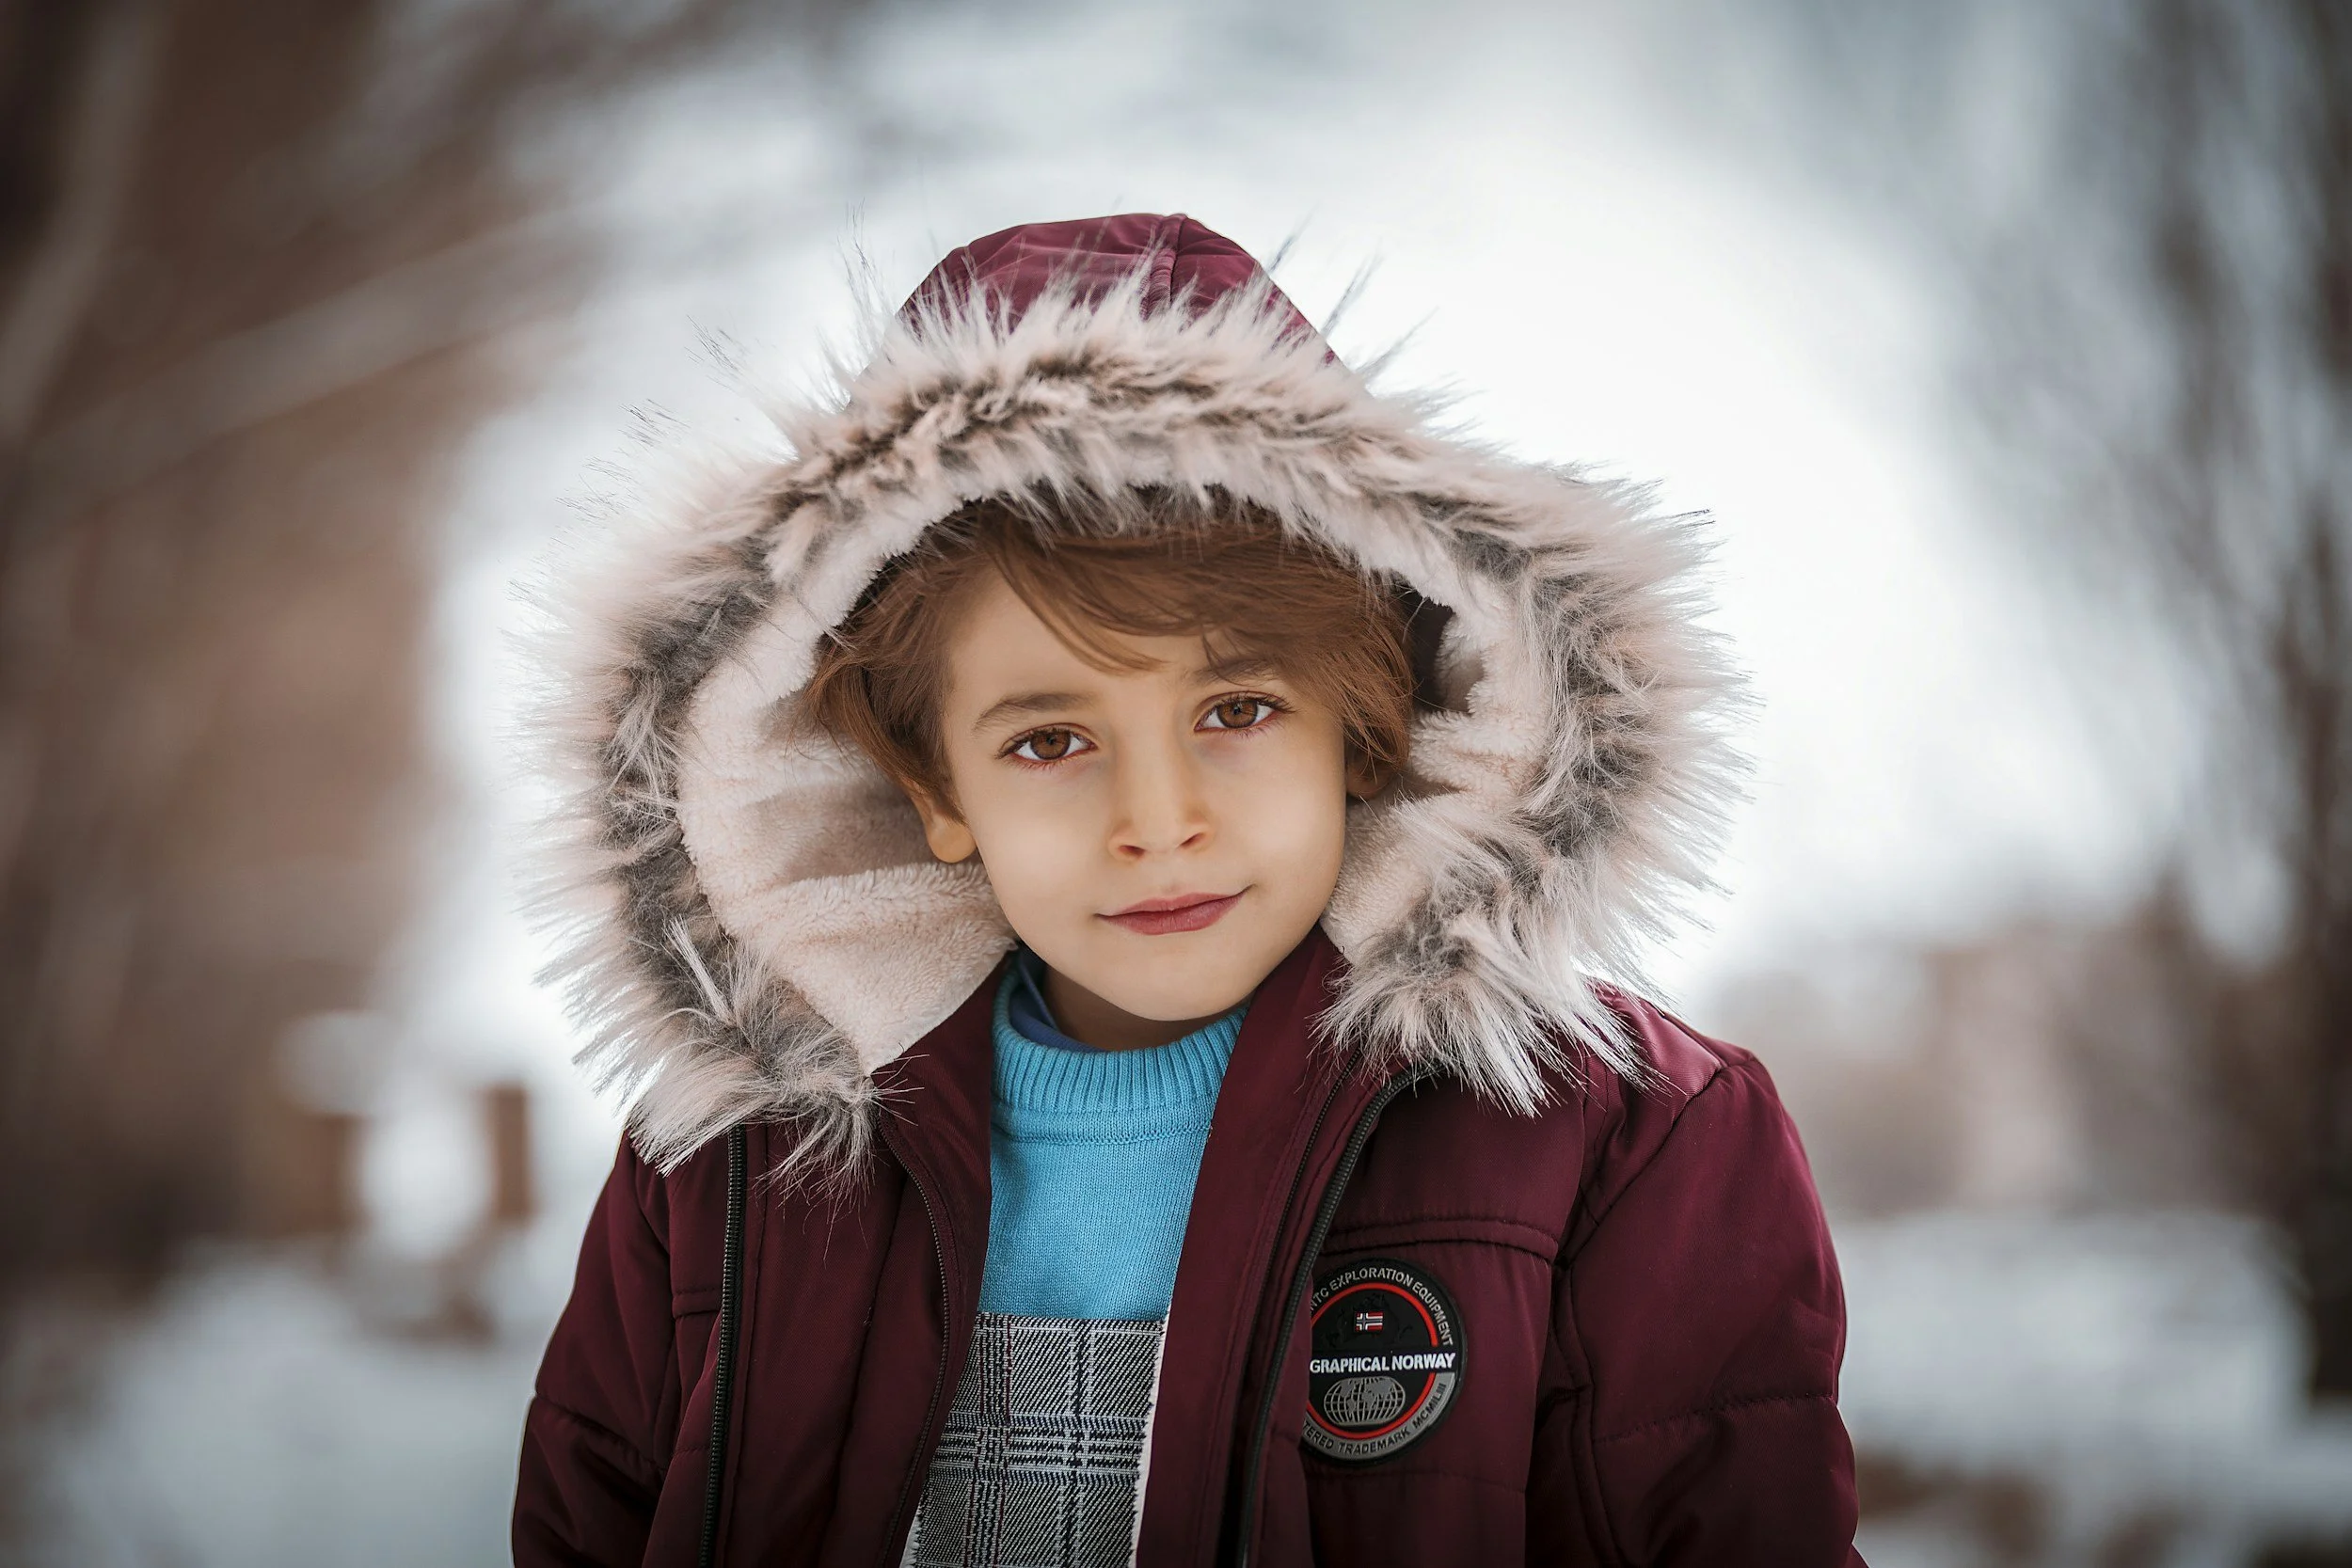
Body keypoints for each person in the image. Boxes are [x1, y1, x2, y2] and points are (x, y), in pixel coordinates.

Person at [513, 214, 1862, 1567]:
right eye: (1050, 740)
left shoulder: (1626, 1149)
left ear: (1365, 723)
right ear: (933, 791)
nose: (1158, 821)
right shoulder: (731, 1178)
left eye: (1237, 706)